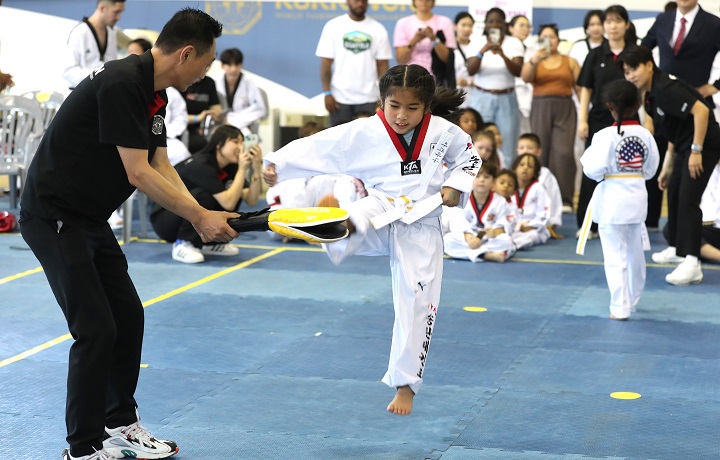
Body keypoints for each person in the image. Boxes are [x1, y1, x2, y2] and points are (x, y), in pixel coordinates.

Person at [19, 8, 231, 460]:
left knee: (128, 317)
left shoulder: (157, 97)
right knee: (95, 330)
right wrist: (197, 217)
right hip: (54, 216)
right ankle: (82, 447)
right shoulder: (121, 83)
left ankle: (120, 421)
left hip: (89, 217)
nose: (205, 73)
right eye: (206, 63)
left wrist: (204, 210)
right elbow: (137, 173)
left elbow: (160, 164)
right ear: (187, 53)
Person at [263, 64, 481, 416]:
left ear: (426, 106)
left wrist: (455, 184)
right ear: (382, 101)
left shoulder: (444, 132)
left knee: (416, 302)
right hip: (381, 205)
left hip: (422, 221)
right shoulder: (365, 131)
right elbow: (322, 146)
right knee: (356, 221)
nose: (401, 115)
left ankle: (406, 384)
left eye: (412, 108)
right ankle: (337, 227)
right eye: (394, 105)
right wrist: (279, 164)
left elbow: (469, 157)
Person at [624, 46, 720, 285]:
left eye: (634, 68)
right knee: (675, 191)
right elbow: (674, 130)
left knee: (688, 198)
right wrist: (668, 164)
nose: (631, 75)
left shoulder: (666, 87)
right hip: (684, 145)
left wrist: (697, 151)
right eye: (626, 72)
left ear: (648, 65)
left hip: (705, 144)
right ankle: (678, 249)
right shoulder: (649, 94)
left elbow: (702, 111)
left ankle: (692, 263)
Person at [578, 79, 660, 320]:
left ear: (609, 106)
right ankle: (633, 300)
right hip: (637, 197)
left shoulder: (605, 135)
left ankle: (619, 307)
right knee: (635, 253)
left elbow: (591, 169)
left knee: (615, 256)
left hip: (612, 199)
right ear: (637, 105)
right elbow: (651, 169)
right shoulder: (645, 134)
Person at [641, 0, 720, 231]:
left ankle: (690, 246)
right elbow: (643, 49)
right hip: (664, 106)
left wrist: (714, 86)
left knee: (689, 187)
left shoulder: (713, 24)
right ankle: (666, 233)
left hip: (696, 107)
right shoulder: (663, 19)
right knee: (666, 175)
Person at [151, 124, 263, 263]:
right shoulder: (201, 164)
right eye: (235, 142)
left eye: (242, 142)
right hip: (166, 220)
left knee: (235, 189)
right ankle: (183, 243)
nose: (241, 147)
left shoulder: (231, 166)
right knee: (204, 195)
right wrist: (242, 170)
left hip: (188, 219)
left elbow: (251, 200)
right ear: (218, 144)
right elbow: (228, 203)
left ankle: (210, 243)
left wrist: (257, 168)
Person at [576, 5, 637, 240]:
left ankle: (623, 223)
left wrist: (648, 121)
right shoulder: (595, 54)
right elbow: (586, 89)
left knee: (623, 170)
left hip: (629, 121)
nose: (612, 26)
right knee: (592, 170)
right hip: (599, 119)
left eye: (617, 21)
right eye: (608, 21)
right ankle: (588, 224)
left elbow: (642, 88)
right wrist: (582, 119)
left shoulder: (635, 53)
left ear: (626, 25)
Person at [521, 24, 581, 214]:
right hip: (540, 105)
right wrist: (533, 60)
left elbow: (580, 88)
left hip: (565, 106)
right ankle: (538, 196)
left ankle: (565, 198)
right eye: (544, 37)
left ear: (558, 40)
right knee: (540, 151)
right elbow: (525, 78)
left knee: (563, 153)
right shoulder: (535, 60)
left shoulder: (569, 61)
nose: (549, 40)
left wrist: (586, 115)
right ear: (539, 41)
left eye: (552, 37)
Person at [316, 0, 391, 126]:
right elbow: (326, 64)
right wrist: (327, 93)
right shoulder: (333, 26)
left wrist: (383, 95)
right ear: (348, 1)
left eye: (363, 1)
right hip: (339, 99)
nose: (360, 3)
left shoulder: (378, 29)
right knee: (339, 143)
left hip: (369, 98)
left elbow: (382, 65)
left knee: (367, 143)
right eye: (356, 0)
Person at [466, 7, 524, 166]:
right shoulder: (477, 42)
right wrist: (482, 51)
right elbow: (471, 70)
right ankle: (476, 178)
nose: (494, 24)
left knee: (508, 142)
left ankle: (505, 181)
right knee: (479, 140)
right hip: (481, 97)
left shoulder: (514, 43)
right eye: (491, 21)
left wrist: (502, 54)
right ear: (485, 24)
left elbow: (518, 71)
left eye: (498, 21)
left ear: (505, 24)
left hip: (507, 98)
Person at [442, 162, 513, 262]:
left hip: (488, 239)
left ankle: (476, 254)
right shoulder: (462, 198)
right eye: (478, 176)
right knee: (448, 240)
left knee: (506, 241)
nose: (482, 180)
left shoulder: (500, 201)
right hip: (468, 239)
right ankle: (487, 255)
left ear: (494, 182)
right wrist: (468, 236)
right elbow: (457, 221)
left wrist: (494, 233)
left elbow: (503, 225)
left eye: (487, 177)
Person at [63, 0, 126, 89]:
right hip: (81, 95)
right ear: (102, 8)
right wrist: (100, 76)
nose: (118, 17)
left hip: (103, 94)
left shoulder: (112, 32)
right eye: (116, 12)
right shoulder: (80, 32)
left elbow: (112, 65)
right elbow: (68, 72)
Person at [393, 0, 456, 80]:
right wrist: (414, 40)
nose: (424, 1)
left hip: (438, 79)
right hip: (411, 78)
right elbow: (401, 60)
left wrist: (433, 38)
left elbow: (448, 59)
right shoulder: (403, 23)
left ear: (433, 2)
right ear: (414, 1)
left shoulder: (445, 22)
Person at [517, 132, 563, 235]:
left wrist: (553, 221)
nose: (525, 151)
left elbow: (554, 197)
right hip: (518, 221)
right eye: (521, 148)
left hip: (538, 219)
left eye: (529, 148)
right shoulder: (514, 173)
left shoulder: (545, 174)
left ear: (538, 152)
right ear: (517, 151)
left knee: (533, 235)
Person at [214, 48, 267, 134]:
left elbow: (258, 108)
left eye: (236, 65)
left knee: (248, 140)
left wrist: (236, 121)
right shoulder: (215, 81)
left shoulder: (248, 82)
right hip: (220, 124)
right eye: (229, 65)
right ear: (222, 66)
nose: (233, 69)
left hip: (243, 124)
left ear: (241, 65)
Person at [510, 153, 550, 250]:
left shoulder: (539, 189)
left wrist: (531, 226)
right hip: (513, 227)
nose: (525, 168)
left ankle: (510, 246)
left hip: (532, 229)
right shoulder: (508, 187)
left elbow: (544, 214)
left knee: (531, 236)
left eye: (530, 166)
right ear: (515, 168)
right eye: (522, 165)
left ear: (535, 171)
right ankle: (508, 244)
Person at [182, 69, 223, 153]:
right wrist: (198, 117)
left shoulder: (209, 83)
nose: (205, 70)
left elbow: (216, 106)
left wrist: (217, 114)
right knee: (202, 144)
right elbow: (177, 116)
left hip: (204, 127)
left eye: (208, 66)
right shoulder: (182, 82)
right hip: (185, 127)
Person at [508, 14, 533, 135]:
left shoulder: (533, 51)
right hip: (510, 95)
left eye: (528, 26)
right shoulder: (503, 48)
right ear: (511, 28)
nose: (525, 29)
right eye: (521, 25)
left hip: (529, 97)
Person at [453, 12, 475, 107]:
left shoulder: (477, 46)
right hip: (453, 94)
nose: (467, 29)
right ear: (455, 26)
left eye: (470, 25)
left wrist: (471, 82)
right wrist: (455, 81)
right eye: (463, 25)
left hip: (474, 95)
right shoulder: (448, 48)